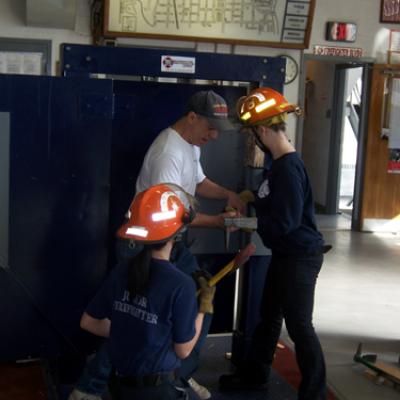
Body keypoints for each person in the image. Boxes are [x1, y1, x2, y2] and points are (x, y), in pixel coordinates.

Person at [69, 90, 245, 400]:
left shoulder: (191, 145)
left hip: (172, 244)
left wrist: (229, 195)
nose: (215, 135)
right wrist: (220, 222)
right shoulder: (169, 152)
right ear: (192, 117)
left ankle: (180, 375)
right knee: (135, 320)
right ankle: (89, 387)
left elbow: (200, 182)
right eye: (210, 127)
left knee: (199, 306)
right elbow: (172, 217)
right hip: (145, 243)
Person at [219, 87, 328, 400]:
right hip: (285, 256)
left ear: (263, 130)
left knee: (299, 327)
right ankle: (255, 376)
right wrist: (248, 196)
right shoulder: (276, 164)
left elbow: (285, 223)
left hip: (300, 258)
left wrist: (242, 222)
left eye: (253, 133)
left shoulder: (289, 169)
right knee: (269, 317)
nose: (252, 139)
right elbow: (270, 199)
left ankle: (314, 393)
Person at [79, 183, 216, 400]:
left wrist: (133, 330)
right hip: (158, 392)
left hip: (121, 387)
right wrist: (204, 307)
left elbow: (88, 322)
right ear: (178, 232)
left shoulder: (122, 270)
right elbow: (184, 350)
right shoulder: (181, 285)